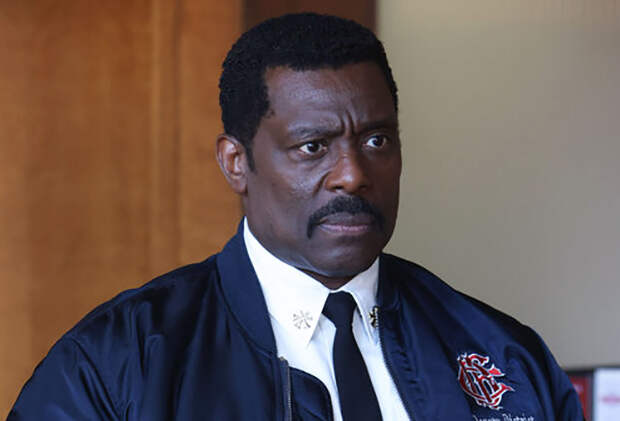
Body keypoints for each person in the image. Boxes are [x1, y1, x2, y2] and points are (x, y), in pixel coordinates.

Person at [9, 13, 583, 421]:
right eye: (313, 146)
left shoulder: (503, 354)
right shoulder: (118, 362)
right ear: (236, 163)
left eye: (377, 140)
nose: (352, 175)